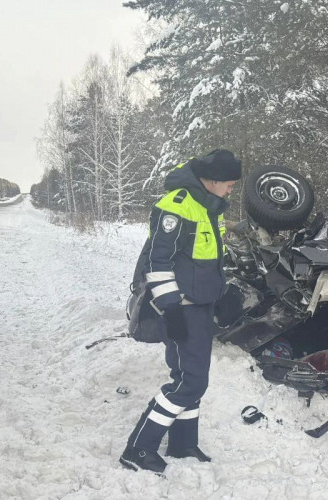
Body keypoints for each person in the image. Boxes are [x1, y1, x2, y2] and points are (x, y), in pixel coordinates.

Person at [120, 149, 241, 475]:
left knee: (186, 376)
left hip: (200, 307)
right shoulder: (176, 206)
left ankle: (183, 442)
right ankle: (139, 449)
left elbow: (209, 259)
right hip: (180, 309)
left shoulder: (210, 207)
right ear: (213, 180)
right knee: (192, 383)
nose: (231, 190)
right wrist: (169, 309)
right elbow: (157, 264)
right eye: (229, 183)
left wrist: (223, 293)